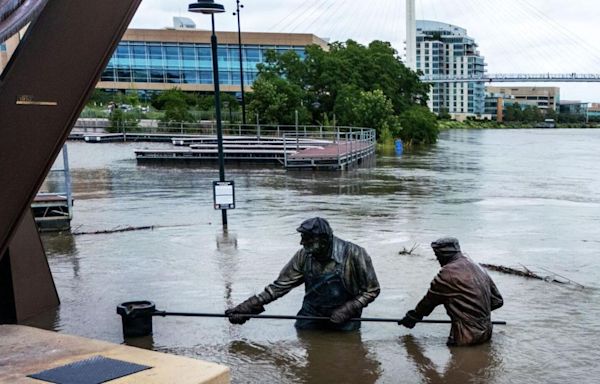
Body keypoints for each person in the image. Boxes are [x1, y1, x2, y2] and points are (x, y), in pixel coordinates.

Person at [225, 217, 380, 331]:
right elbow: (279, 287)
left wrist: (349, 308)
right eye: (302, 239)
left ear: (325, 240)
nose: (302, 243)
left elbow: (372, 290)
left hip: (345, 317)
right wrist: (248, 307)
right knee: (307, 344)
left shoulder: (354, 254)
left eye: (307, 240)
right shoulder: (303, 255)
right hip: (310, 314)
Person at [398, 237, 503, 346]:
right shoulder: (477, 267)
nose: (437, 260)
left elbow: (429, 302)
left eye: (437, 255)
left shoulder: (447, 274)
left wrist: (412, 317)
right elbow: (497, 301)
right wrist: (476, 315)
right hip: (487, 333)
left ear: (444, 254)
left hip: (465, 337)